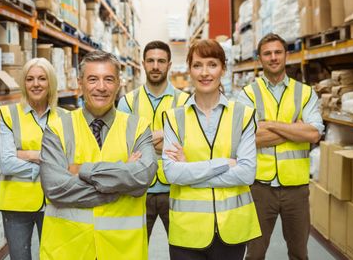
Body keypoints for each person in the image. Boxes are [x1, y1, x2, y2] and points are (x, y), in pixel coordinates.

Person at [39, 50, 157, 260]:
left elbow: (143, 176)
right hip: (68, 249)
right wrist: (121, 186)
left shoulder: (138, 127)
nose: (101, 87)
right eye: (93, 79)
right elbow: (55, 187)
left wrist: (82, 170)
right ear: (80, 83)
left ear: (118, 83)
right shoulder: (57, 129)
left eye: (108, 79)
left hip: (122, 251)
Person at [162, 39, 262, 260]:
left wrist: (189, 169)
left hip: (232, 228)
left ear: (223, 69)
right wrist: (224, 163)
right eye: (197, 65)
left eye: (212, 64)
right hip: (187, 231)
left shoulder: (243, 115)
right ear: (189, 70)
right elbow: (172, 173)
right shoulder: (174, 118)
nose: (205, 72)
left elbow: (247, 173)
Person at [237, 33, 324, 260]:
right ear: (259, 58)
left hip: (296, 188)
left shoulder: (304, 93)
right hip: (259, 188)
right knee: (254, 254)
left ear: (287, 55)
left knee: (299, 253)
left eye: (278, 52)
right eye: (267, 53)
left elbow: (314, 133)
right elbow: (245, 137)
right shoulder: (248, 94)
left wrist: (269, 125)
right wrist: (295, 130)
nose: (273, 57)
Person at [118, 40, 190, 238]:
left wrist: (143, 140)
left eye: (161, 61)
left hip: (175, 189)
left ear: (169, 65)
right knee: (135, 249)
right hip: (140, 189)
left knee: (182, 249)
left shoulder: (185, 102)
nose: (156, 66)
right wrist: (168, 137)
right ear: (143, 64)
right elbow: (124, 145)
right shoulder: (127, 102)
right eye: (150, 61)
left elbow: (189, 146)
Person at [0, 57, 64, 260]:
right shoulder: (8, 114)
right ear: (23, 83)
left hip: (55, 201)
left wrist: (26, 154)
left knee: (54, 256)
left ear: (50, 82)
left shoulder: (65, 117)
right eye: (30, 78)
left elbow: (67, 160)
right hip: (16, 204)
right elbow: (7, 163)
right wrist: (44, 163)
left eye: (42, 78)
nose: (36, 84)